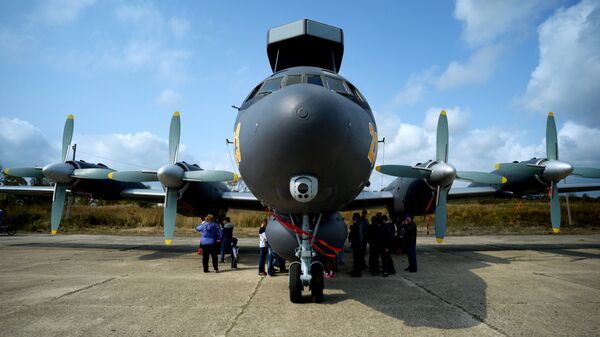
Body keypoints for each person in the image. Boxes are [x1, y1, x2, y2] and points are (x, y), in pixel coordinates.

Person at [348, 212, 363, 277]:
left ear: (356, 217)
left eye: (354, 217)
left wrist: (356, 243)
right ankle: (355, 271)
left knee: (357, 259)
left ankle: (357, 272)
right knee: (356, 259)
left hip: (357, 245)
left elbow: (359, 235)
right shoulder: (357, 224)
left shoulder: (358, 224)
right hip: (357, 244)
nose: (353, 218)